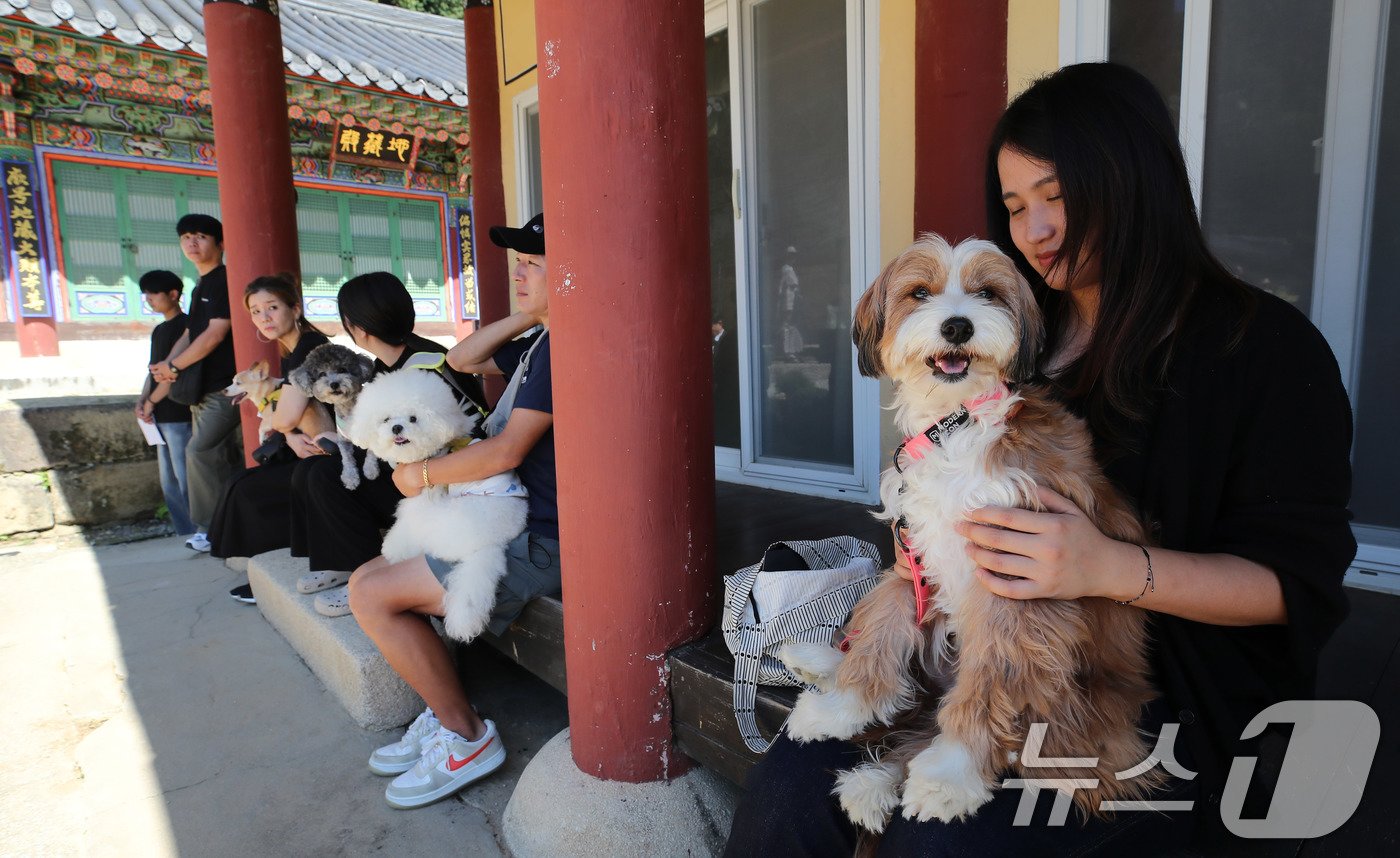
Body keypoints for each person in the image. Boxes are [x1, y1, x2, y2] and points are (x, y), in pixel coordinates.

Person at [725, 63, 1355, 855]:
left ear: (1135, 178)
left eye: (1058, 196)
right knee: (788, 786)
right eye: (1017, 206)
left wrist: (1108, 567)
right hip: (961, 650)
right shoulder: (1012, 323)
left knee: (941, 844)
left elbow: (1295, 585)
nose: (1036, 231)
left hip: (1150, 692)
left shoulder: (1264, 351)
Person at [347, 212, 558, 810]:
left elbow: (508, 449)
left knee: (369, 595)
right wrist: (535, 311)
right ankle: (447, 716)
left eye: (535, 265)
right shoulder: (542, 340)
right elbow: (462, 360)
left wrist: (420, 474)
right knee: (366, 577)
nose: (520, 273)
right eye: (520, 263)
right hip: (501, 517)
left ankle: (465, 736)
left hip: (536, 535)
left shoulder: (562, 350)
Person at [289, 271, 488, 617]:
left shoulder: (424, 366)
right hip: (414, 470)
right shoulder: (387, 365)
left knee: (324, 476)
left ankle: (369, 576)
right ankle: (339, 562)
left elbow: (430, 441)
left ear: (358, 328)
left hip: (444, 482)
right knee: (311, 468)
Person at [210, 275, 331, 604]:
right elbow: (285, 418)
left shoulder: (309, 347)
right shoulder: (291, 349)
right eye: (255, 311)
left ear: (295, 308)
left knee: (251, 491)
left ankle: (265, 575)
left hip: (332, 449)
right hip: (309, 443)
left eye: (272, 308)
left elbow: (284, 417)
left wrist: (286, 428)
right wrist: (288, 432)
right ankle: (264, 571)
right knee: (244, 482)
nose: (264, 317)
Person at [149, 214, 241, 553]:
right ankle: (229, 522)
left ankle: (211, 528)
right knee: (221, 457)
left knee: (198, 451)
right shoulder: (202, 283)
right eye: (186, 236)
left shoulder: (222, 280)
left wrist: (173, 364)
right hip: (203, 388)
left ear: (220, 244)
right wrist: (167, 367)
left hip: (224, 387)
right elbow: (191, 332)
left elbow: (215, 334)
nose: (192, 242)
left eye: (201, 236)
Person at [135, 270, 196, 541]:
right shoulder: (159, 329)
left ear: (173, 294)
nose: (149, 299)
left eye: (153, 293)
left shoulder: (187, 326)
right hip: (158, 413)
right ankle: (184, 531)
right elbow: (154, 370)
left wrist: (150, 401)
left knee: (185, 478)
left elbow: (173, 373)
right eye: (146, 294)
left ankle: (199, 530)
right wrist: (142, 400)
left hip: (178, 411)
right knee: (168, 480)